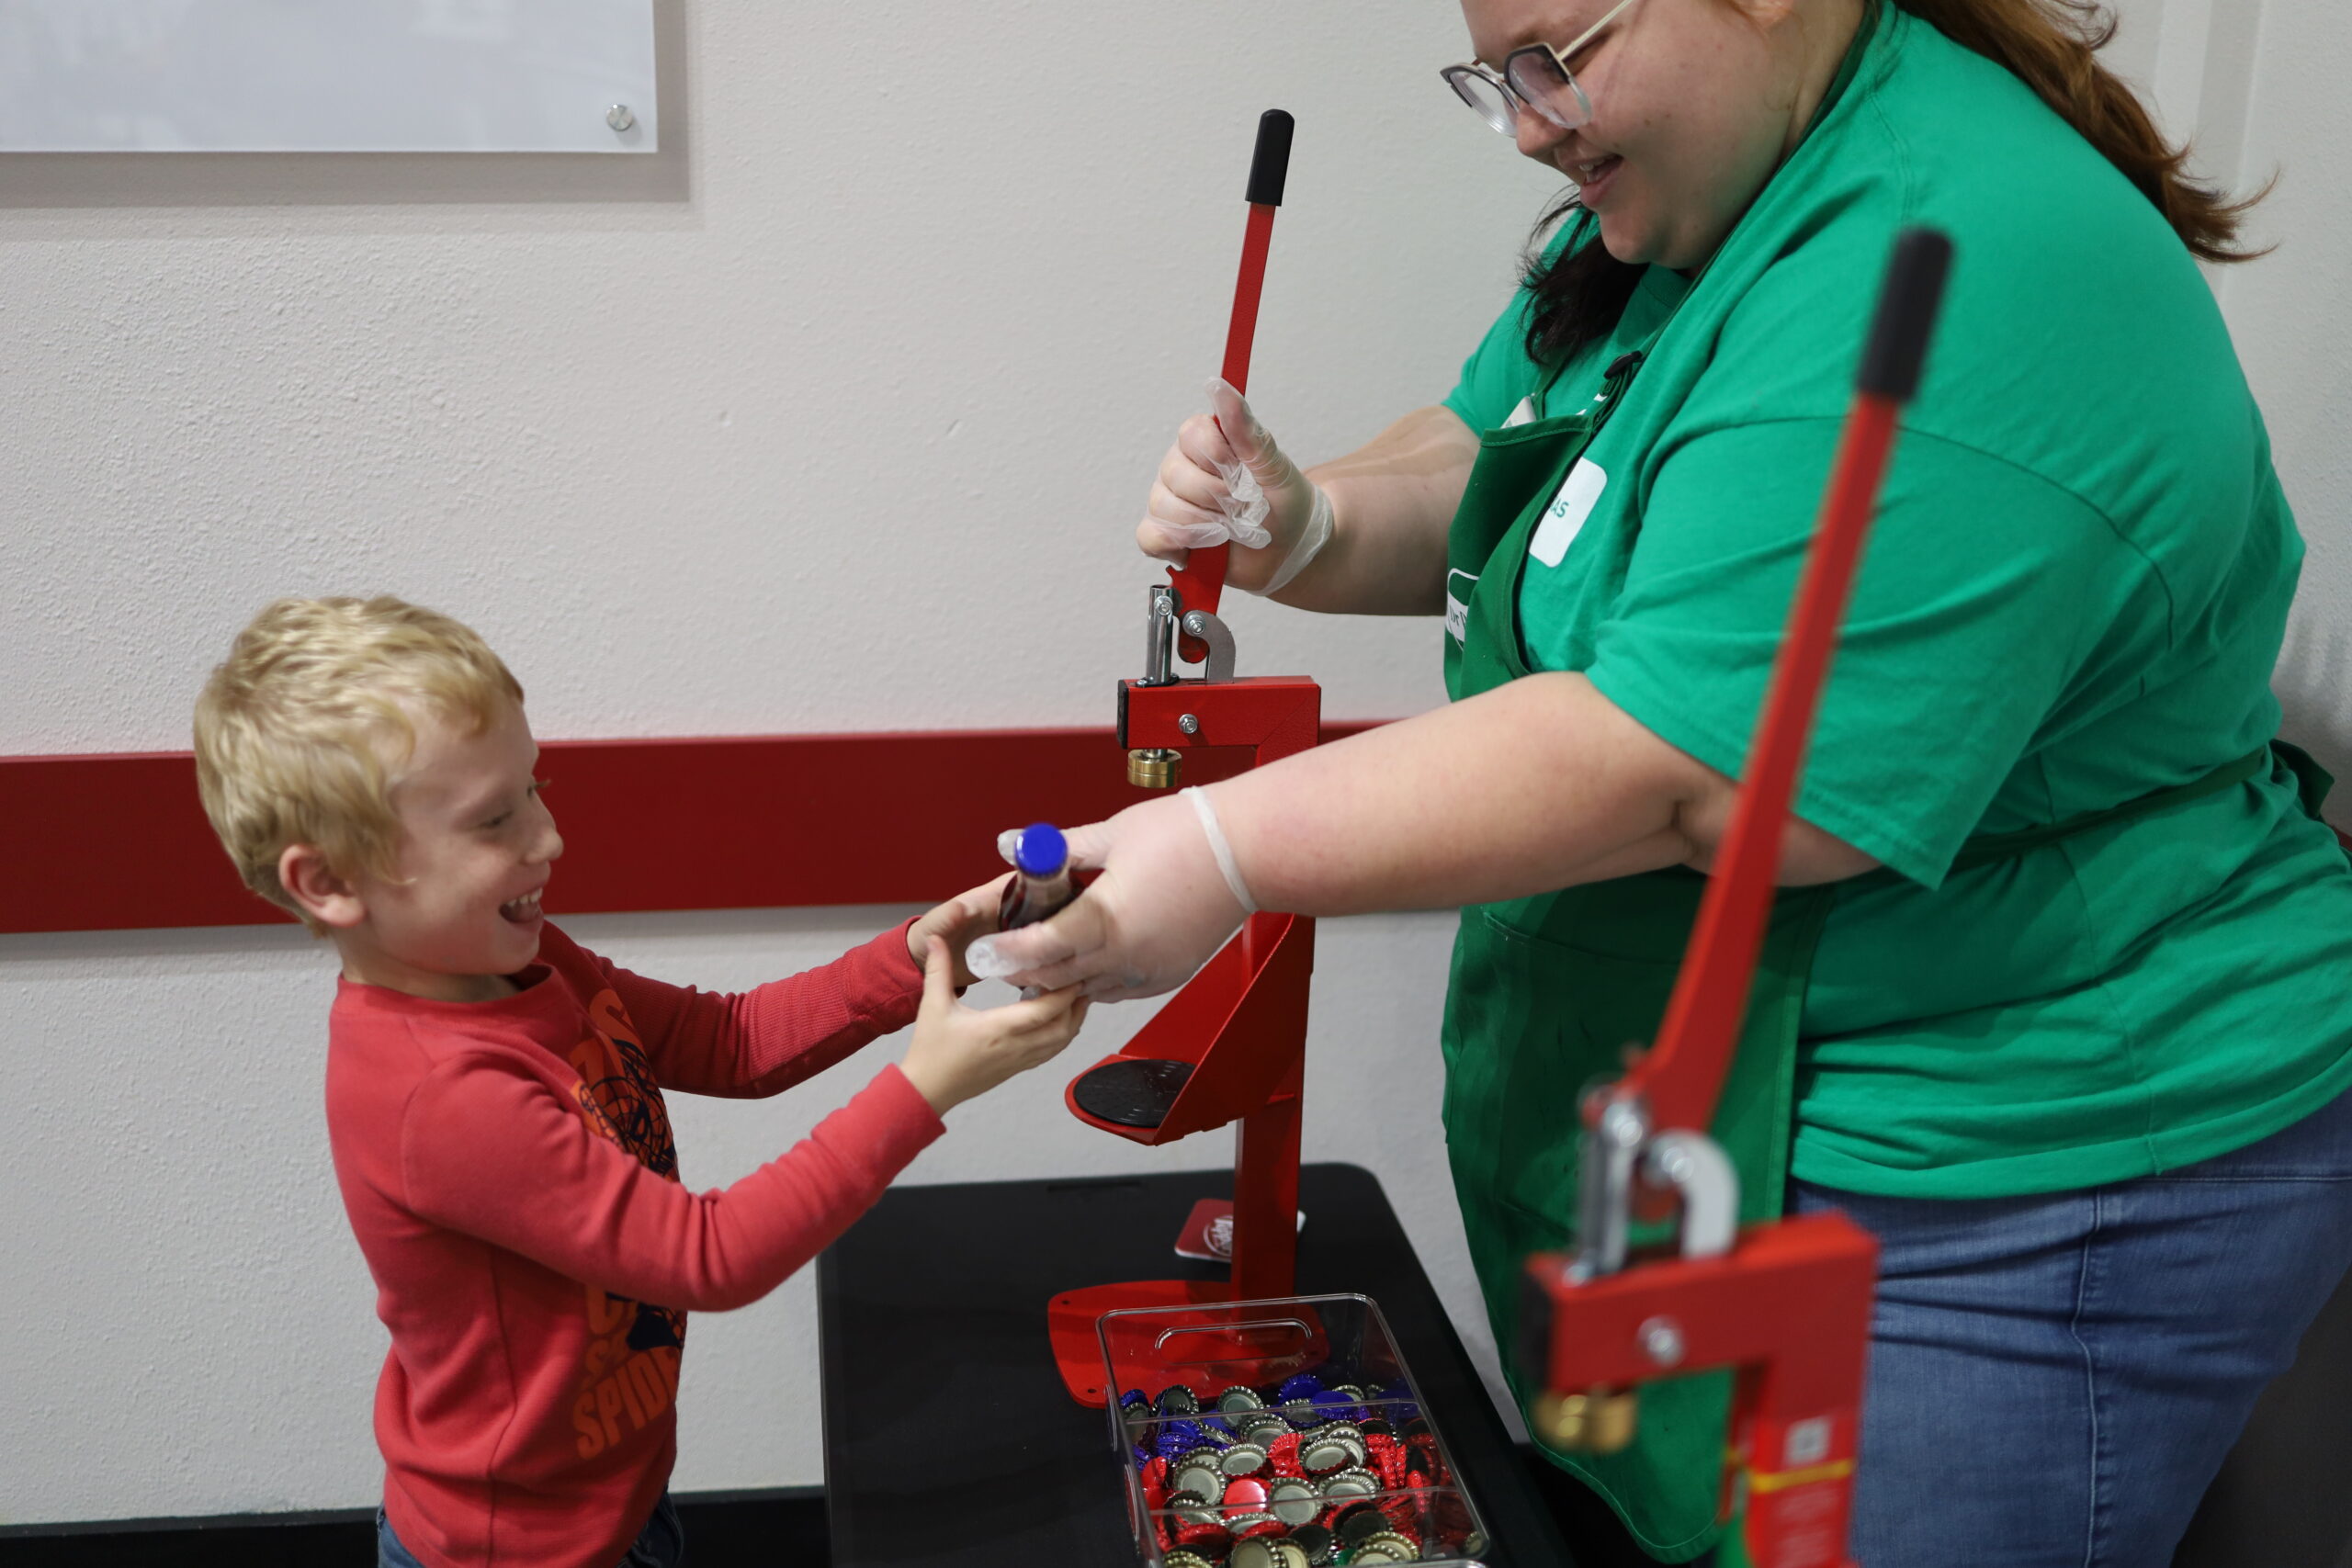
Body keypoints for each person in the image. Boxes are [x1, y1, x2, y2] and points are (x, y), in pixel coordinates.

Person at [969, 0, 2352, 1562]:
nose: (1530, 125)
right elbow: (1516, 455)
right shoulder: (1697, 202)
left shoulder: (1954, 261)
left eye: (1558, 60)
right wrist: (1312, 520)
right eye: (1498, 77)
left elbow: (1687, 762)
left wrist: (1224, 847)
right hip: (1734, 1123)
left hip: (2012, 1176)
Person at [192, 596, 1088, 1568]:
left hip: (618, 1500)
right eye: (494, 818)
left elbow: (730, 1039)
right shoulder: (443, 1095)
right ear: (330, 882)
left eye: (534, 788)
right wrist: (925, 1090)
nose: (547, 837)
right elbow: (711, 1255)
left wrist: (913, 956)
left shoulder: (531, 963)